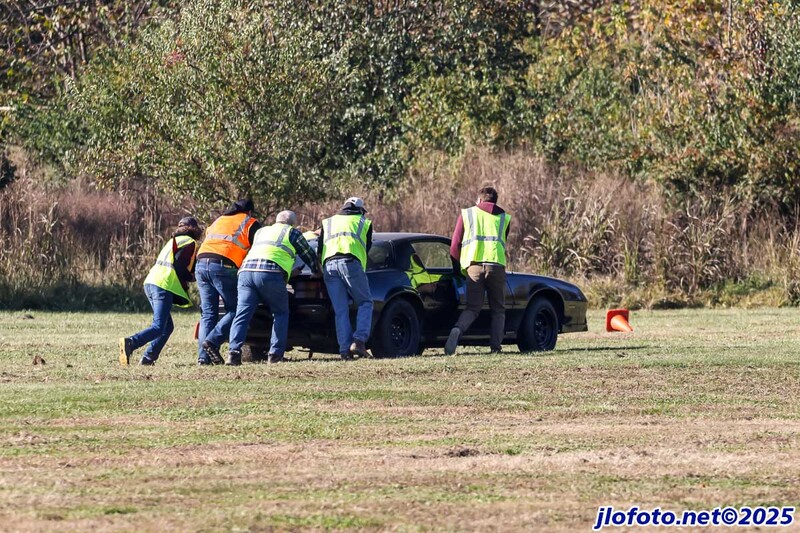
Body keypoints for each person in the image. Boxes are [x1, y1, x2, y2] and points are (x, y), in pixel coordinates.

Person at [226, 211, 320, 365]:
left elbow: (267, 252)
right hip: (271, 273)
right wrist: (317, 271)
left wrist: (289, 272)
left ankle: (233, 353)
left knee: (242, 314)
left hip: (246, 272)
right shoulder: (291, 232)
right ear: (292, 223)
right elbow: (308, 254)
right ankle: (275, 354)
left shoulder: (261, 231)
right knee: (281, 313)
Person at [119, 217, 203, 366]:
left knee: (166, 327)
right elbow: (180, 266)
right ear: (195, 230)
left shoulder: (172, 242)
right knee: (158, 326)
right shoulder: (190, 243)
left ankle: (148, 358)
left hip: (151, 282)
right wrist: (192, 277)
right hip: (164, 285)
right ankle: (130, 343)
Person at [445, 186, 511, 355]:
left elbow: (454, 245)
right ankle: (496, 348)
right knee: (498, 310)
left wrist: (458, 268)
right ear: (495, 200)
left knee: (472, 308)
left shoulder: (467, 214)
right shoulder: (504, 217)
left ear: (480, 200)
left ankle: (457, 330)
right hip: (496, 266)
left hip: (473, 266)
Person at [196, 199, 260, 365]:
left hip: (201, 264)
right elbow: (257, 249)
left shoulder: (219, 220)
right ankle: (212, 341)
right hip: (223, 265)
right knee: (236, 308)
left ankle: (203, 358)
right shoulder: (250, 222)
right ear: (250, 212)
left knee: (208, 314)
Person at [318, 197, 373, 360]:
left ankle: (344, 351)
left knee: (340, 310)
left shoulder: (327, 222)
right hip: (350, 263)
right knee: (365, 302)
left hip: (329, 266)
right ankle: (359, 341)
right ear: (360, 210)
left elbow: (320, 248)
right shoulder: (363, 222)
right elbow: (367, 246)